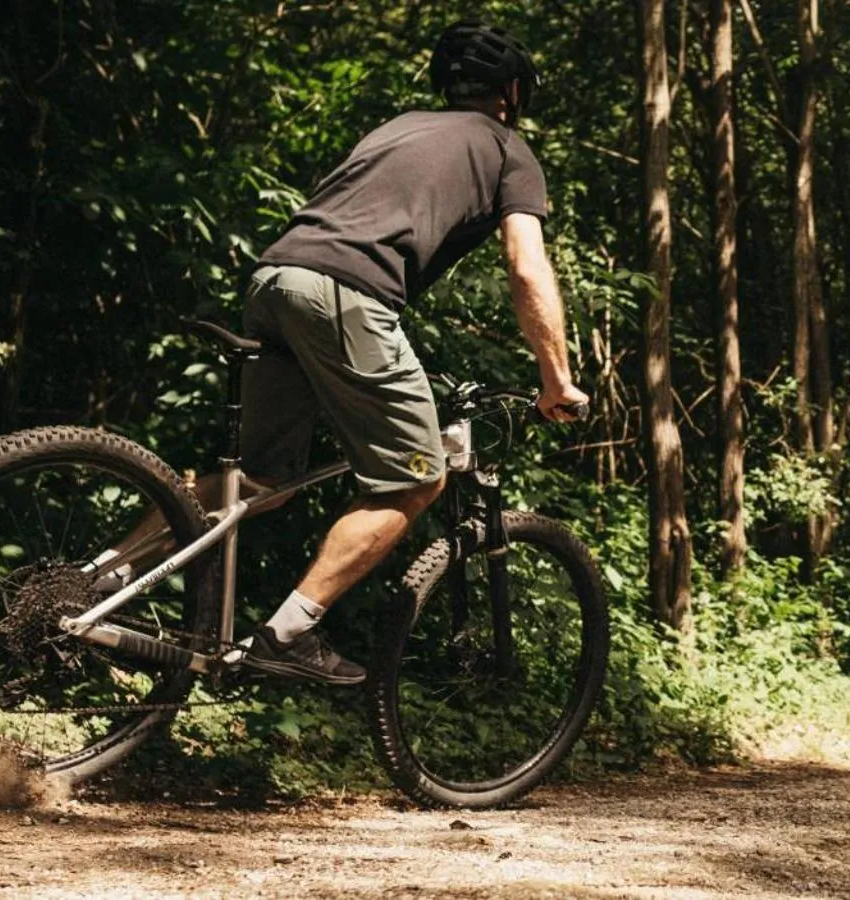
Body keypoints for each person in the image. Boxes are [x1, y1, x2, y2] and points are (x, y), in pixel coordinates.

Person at [100, 20, 587, 685]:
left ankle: (98, 581)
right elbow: (527, 267)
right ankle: (287, 633)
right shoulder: (507, 147)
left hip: (276, 281)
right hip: (348, 294)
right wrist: (555, 378)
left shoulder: (399, 127)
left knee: (258, 483)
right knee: (416, 477)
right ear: (512, 92)